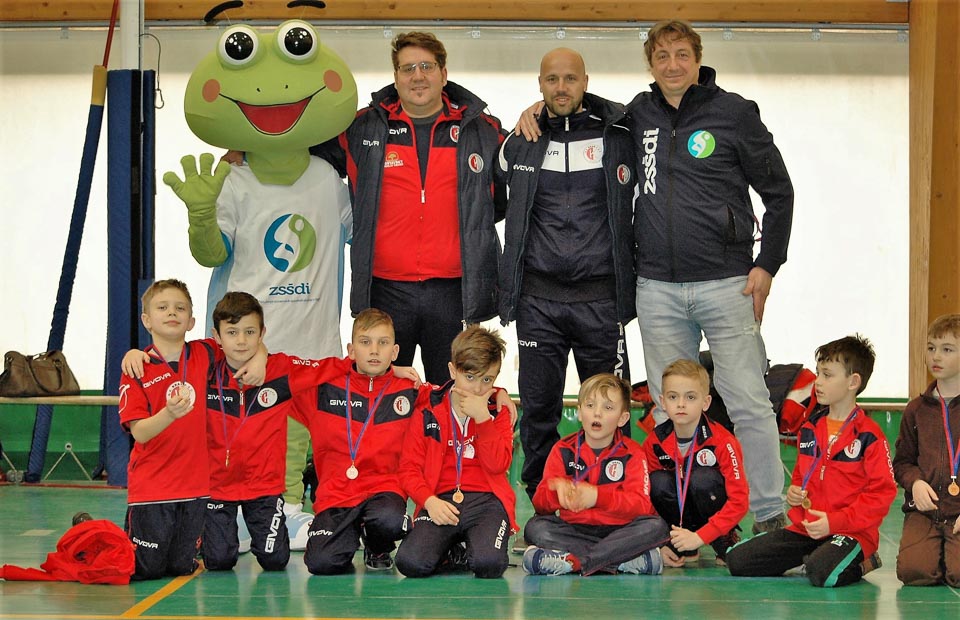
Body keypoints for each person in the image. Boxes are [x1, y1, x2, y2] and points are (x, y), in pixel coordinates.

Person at [314, 31, 507, 386]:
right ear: (396, 76)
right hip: (384, 290)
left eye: (426, 67)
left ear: (443, 74)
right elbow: (303, 150)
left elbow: (506, 192)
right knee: (379, 394)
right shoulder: (362, 127)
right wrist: (247, 151)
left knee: (450, 393)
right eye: (407, 68)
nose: (418, 76)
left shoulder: (482, 131)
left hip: (453, 292)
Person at [496, 48, 636, 503]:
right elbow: (489, 197)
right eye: (552, 79)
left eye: (570, 78)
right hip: (539, 303)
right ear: (540, 84)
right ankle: (541, 502)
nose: (561, 87)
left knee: (612, 408)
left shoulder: (620, 135)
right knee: (539, 409)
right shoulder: (520, 140)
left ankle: (615, 500)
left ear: (586, 82)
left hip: (602, 301)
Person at [725, 335, 897, 587]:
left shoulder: (869, 435)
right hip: (808, 529)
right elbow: (800, 477)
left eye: (827, 375)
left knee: (821, 573)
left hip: (852, 532)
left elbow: (882, 494)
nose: (818, 382)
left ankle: (864, 561)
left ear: (853, 382)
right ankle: (814, 555)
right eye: (818, 373)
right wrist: (795, 493)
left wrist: (834, 522)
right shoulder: (810, 428)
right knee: (737, 561)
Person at [118, 279, 259, 580]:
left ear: (192, 321)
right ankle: (99, 534)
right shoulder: (137, 368)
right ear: (147, 320)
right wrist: (169, 414)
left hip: (196, 490)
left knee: (181, 567)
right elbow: (140, 432)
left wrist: (260, 357)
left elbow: (244, 344)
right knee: (146, 569)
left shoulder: (205, 352)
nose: (172, 312)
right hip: (153, 489)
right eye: (163, 307)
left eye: (180, 308)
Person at [289, 309, 423, 575]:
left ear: (394, 351)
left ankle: (377, 546)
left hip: (385, 490)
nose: (374, 350)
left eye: (383, 343)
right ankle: (348, 533)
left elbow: (454, 395)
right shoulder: (323, 389)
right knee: (322, 563)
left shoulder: (410, 391)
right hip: (337, 493)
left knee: (389, 522)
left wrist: (497, 394)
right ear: (351, 350)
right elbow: (280, 375)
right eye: (365, 342)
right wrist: (340, 366)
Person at [395, 326, 516, 578]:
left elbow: (498, 465)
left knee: (489, 564)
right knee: (410, 562)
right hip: (440, 499)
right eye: (469, 377)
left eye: (487, 380)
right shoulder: (428, 409)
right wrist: (429, 501)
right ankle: (452, 550)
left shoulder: (498, 412)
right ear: (452, 371)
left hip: (487, 502)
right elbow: (408, 469)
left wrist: (483, 419)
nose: (477, 389)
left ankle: (474, 544)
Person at [522, 373, 668, 576]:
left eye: (608, 408)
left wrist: (598, 497)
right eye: (590, 406)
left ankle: (576, 562)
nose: (597, 414)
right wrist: (556, 493)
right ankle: (621, 561)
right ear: (580, 412)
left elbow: (641, 506)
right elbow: (540, 506)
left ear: (623, 418)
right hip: (574, 530)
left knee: (657, 527)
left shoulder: (633, 452)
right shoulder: (562, 449)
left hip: (620, 531)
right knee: (535, 527)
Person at [642, 360, 749, 567]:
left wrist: (703, 535)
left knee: (703, 478)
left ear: (706, 402)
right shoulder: (654, 442)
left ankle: (722, 538)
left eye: (690, 397)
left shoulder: (723, 442)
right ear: (662, 402)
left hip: (712, 511)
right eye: (673, 397)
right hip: (678, 520)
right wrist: (661, 540)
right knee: (657, 481)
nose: (681, 404)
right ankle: (682, 542)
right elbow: (645, 498)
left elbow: (740, 500)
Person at [893, 313, 960, 586]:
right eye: (931, 348)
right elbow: (902, 463)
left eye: (947, 350)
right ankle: (937, 551)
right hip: (925, 511)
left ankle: (949, 554)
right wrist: (916, 483)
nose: (936, 356)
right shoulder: (916, 409)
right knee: (914, 572)